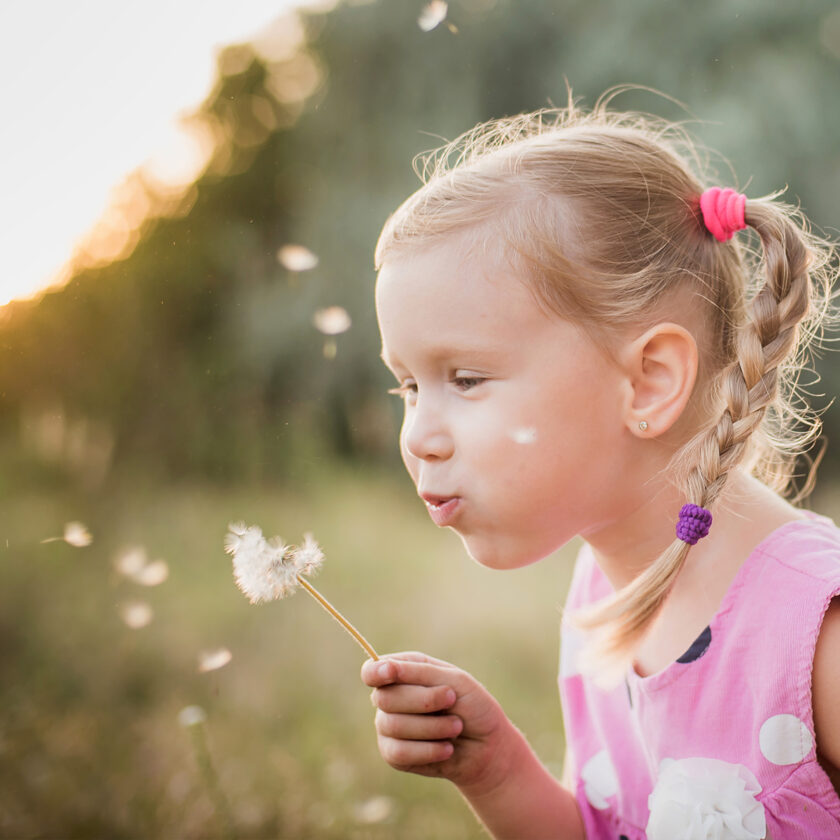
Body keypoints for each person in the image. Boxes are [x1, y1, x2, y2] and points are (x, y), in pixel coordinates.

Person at [360, 91, 840, 839]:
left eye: (466, 379)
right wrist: (499, 773)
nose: (418, 434)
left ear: (649, 382)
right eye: (409, 386)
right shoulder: (603, 597)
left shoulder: (816, 634)